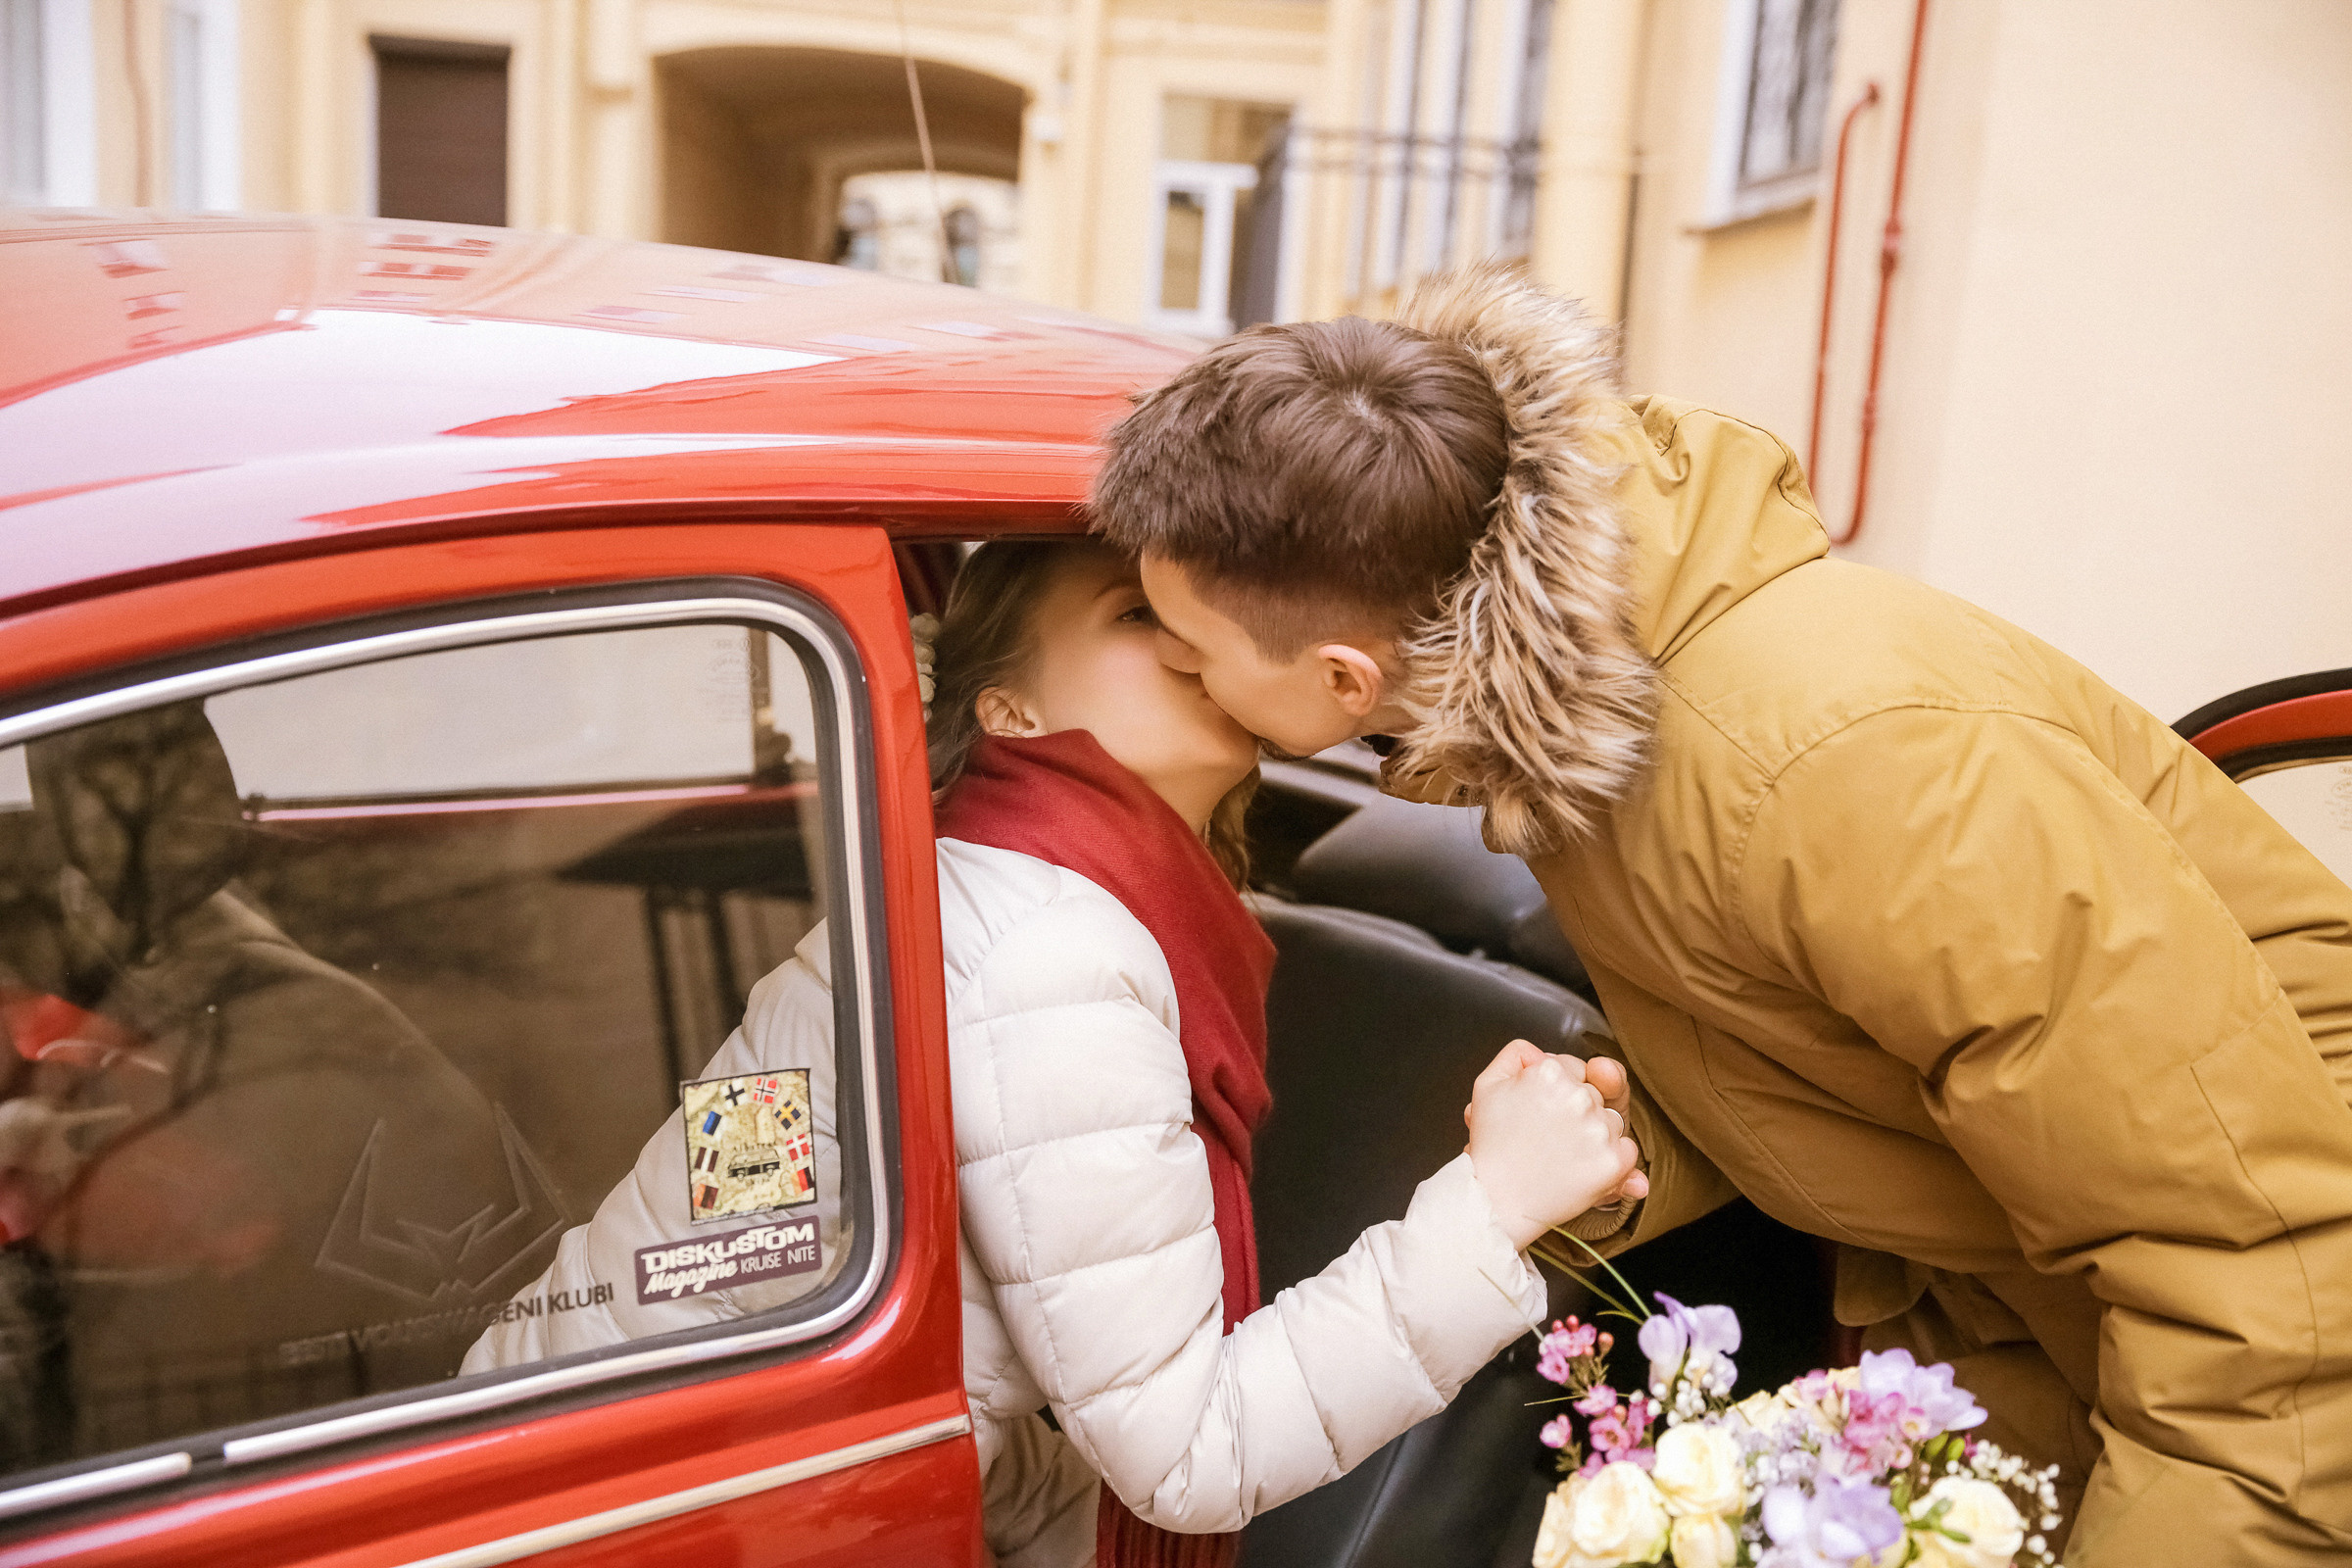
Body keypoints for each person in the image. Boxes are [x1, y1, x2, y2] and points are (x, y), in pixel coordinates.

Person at [1091, 264, 2352, 1565]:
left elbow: (2270, 1287)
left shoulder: (1846, 768)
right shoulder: (1584, 727)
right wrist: (1606, 1164)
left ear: (1344, 674)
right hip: (2036, 1321)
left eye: (1186, 648)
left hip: (2252, 1378)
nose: (1175, 675)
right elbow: (1825, 1052)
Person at [466, 538, 1643, 1568]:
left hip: (567, 1465)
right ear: (1010, 712)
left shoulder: (959, 885)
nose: (1197, 643)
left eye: (1199, 613)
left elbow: (936, 1380)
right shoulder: (1047, 952)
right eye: (1141, 616)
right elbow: (1189, 1452)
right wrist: (1495, 1204)